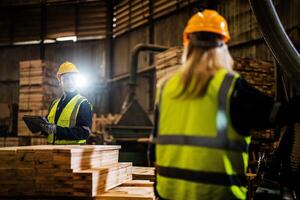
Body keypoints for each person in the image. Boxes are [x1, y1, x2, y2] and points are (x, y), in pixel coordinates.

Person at [152, 9, 300, 200]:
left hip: (169, 195)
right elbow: (279, 114)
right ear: (223, 45)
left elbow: (153, 149)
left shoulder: (166, 88)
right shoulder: (231, 88)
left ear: (187, 43)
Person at [40, 61, 93, 145]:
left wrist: (57, 130)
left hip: (73, 152)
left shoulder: (83, 103)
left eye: (73, 78)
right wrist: (42, 127)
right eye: (66, 79)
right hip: (52, 151)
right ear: (60, 82)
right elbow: (50, 129)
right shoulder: (54, 104)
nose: (70, 82)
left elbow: (84, 132)